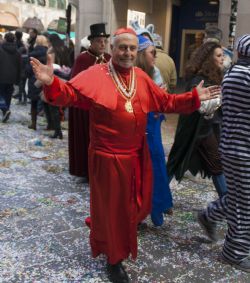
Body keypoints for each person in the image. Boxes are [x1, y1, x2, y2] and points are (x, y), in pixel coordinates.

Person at [30, 27, 219, 283]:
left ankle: (110, 238)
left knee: (133, 208)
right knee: (113, 211)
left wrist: (194, 97)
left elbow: (166, 102)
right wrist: (52, 82)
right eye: (122, 47)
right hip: (106, 159)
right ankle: (114, 259)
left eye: (132, 48)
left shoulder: (141, 77)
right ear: (111, 49)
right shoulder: (96, 74)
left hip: (136, 157)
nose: (127, 52)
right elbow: (70, 95)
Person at [197, 34, 250, 273]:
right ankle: (233, 252)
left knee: (241, 197)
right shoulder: (244, 75)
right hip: (241, 149)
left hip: (234, 146)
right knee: (245, 203)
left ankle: (209, 215)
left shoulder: (233, 73)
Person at [167, 42, 227, 198]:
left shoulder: (212, 76)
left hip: (203, 130)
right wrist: (219, 100)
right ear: (209, 59)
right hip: (195, 131)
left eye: (223, 55)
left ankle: (227, 203)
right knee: (176, 163)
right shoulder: (199, 80)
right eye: (219, 56)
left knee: (214, 166)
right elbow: (200, 106)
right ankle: (228, 204)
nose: (223, 59)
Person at [135, 35, 173, 226]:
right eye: (152, 53)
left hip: (153, 127)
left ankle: (157, 208)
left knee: (156, 166)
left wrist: (162, 96)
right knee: (139, 172)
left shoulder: (154, 72)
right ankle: (139, 211)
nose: (155, 57)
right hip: (139, 130)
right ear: (142, 55)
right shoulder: (133, 75)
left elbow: (163, 102)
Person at [69, 23, 111, 179]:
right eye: (99, 40)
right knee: (87, 139)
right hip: (86, 109)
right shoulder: (82, 59)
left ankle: (102, 170)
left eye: (104, 41)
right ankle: (86, 170)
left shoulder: (109, 59)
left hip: (104, 108)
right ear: (91, 42)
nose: (102, 44)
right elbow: (74, 83)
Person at [45, 33, 71, 139]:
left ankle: (57, 130)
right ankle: (57, 128)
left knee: (53, 105)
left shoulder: (51, 50)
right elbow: (69, 63)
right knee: (59, 104)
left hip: (53, 78)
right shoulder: (64, 49)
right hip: (64, 78)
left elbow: (49, 65)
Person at [26, 35, 48, 130]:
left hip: (34, 80)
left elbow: (28, 70)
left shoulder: (32, 54)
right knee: (47, 102)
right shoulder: (49, 54)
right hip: (46, 79)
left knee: (34, 103)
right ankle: (50, 124)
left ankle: (33, 123)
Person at [0, 32, 21, 123]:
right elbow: (19, 66)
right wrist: (18, 79)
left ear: (5, 39)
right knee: (8, 95)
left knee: (0, 95)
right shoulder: (17, 52)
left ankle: (5, 110)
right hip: (12, 77)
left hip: (1, 76)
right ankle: (6, 111)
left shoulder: (0, 49)